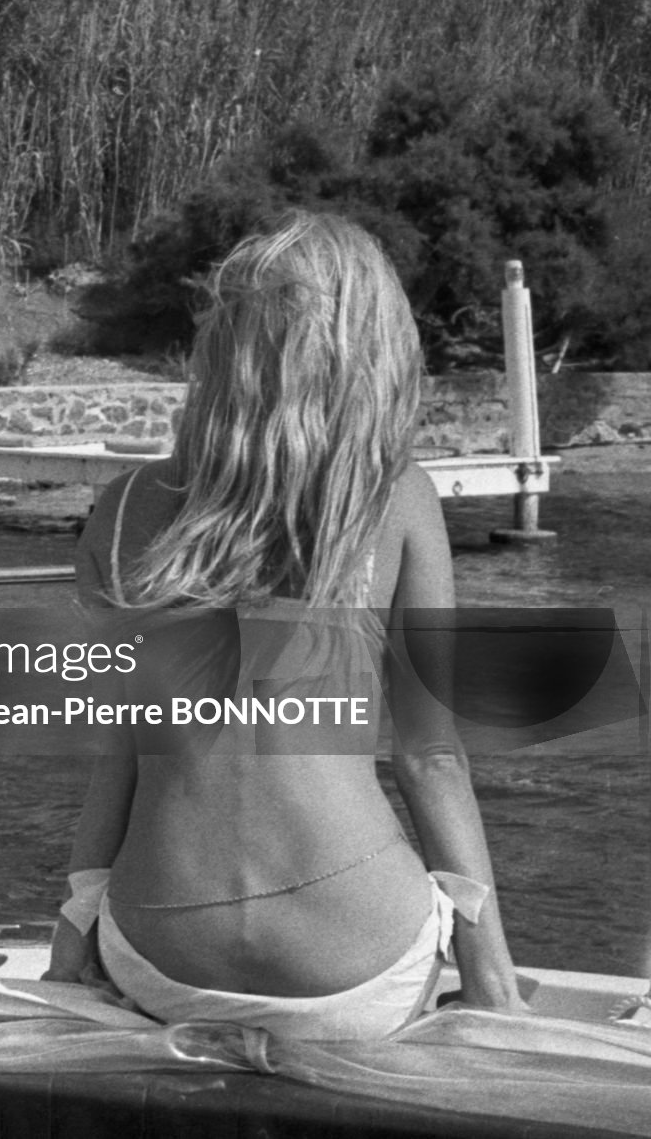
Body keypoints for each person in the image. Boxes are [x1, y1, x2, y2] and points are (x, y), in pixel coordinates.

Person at [43, 211, 528, 1040]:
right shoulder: (394, 497)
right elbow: (430, 755)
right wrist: (493, 986)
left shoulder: (122, 512)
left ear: (220, 352)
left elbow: (121, 754)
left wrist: (71, 946)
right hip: (353, 969)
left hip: (162, 961)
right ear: (363, 355)